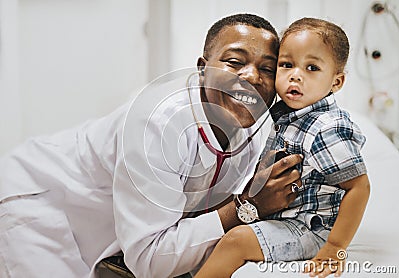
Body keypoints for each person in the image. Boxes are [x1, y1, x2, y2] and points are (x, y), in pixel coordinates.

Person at [0, 14, 303, 278]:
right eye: (234, 62)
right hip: (39, 202)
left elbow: (198, 223)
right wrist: (247, 206)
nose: (251, 77)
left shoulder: (249, 132)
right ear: (202, 68)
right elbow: (148, 262)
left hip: (102, 228)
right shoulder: (157, 124)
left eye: (268, 68)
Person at [194, 17, 371, 278]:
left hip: (312, 227)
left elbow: (359, 187)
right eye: (286, 65)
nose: (295, 75)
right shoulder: (285, 115)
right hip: (284, 213)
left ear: (336, 82)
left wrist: (336, 246)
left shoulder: (326, 127)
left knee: (236, 241)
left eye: (312, 67)